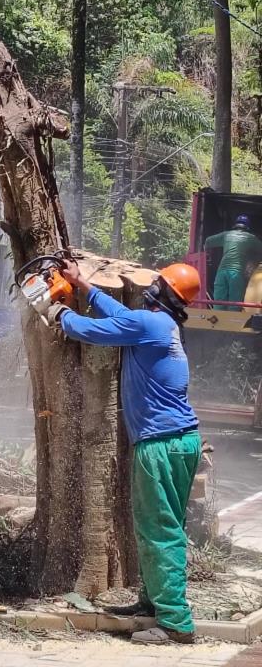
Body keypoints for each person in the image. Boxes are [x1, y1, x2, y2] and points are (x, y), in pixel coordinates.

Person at [47, 261, 202, 646]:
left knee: (158, 531)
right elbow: (120, 314)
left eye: (158, 283)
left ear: (163, 292)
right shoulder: (162, 326)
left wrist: (58, 312)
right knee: (162, 527)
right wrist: (83, 285)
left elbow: (91, 330)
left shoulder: (150, 326)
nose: (150, 287)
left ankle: (175, 622)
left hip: (160, 444)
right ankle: (154, 606)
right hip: (182, 440)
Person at [204, 214, 262, 310]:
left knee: (218, 302)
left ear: (236, 224)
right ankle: (232, 323)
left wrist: (206, 254)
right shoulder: (251, 238)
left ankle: (217, 320)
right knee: (234, 304)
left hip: (221, 272)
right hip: (236, 274)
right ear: (247, 227)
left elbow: (208, 241)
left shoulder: (226, 235)